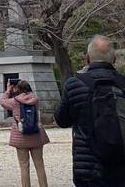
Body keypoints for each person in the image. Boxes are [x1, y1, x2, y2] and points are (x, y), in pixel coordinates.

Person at [56, 33, 125, 187]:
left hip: (88, 166)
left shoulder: (74, 84)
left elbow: (61, 120)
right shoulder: (123, 84)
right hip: (121, 164)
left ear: (86, 58)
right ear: (114, 59)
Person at [0, 80, 48, 187]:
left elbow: (2, 101)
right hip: (36, 135)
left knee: (24, 166)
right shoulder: (35, 99)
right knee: (40, 165)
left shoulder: (14, 101)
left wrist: (8, 90)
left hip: (20, 136)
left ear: (18, 88)